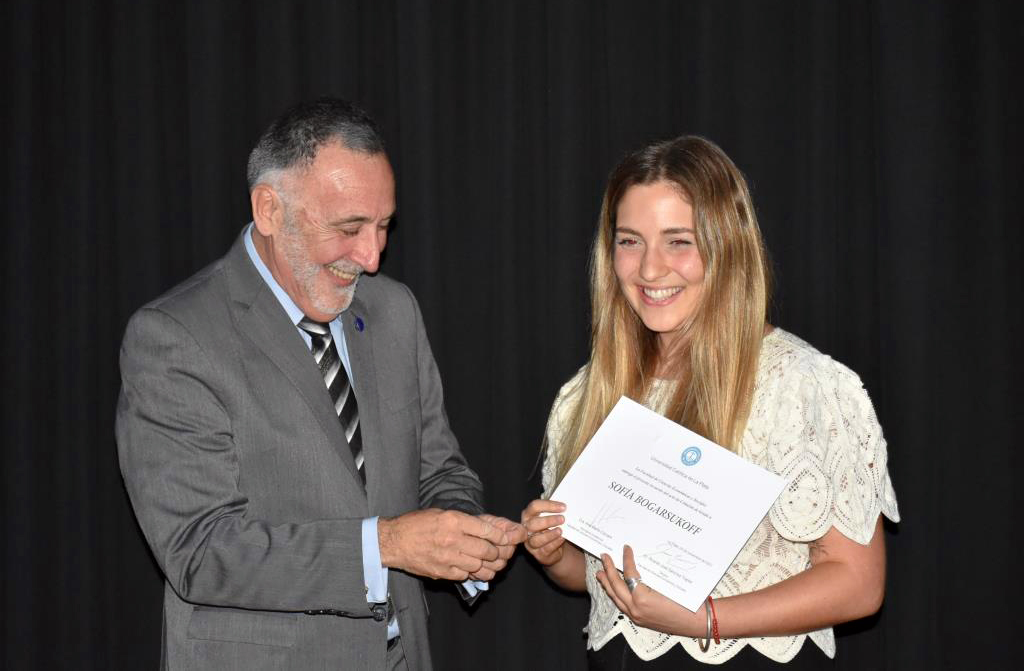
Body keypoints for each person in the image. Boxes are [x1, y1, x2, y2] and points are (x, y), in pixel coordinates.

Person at [116, 97, 526, 671]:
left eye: (383, 226)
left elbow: (440, 470)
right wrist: (386, 544)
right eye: (349, 228)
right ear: (269, 209)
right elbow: (200, 552)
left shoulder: (394, 311)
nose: (372, 256)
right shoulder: (175, 336)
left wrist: (461, 534)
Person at [521, 135, 900, 668]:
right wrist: (553, 550)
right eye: (630, 241)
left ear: (727, 246)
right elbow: (588, 577)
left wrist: (706, 619)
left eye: (679, 241)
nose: (650, 270)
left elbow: (859, 584)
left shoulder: (804, 385)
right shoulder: (585, 395)